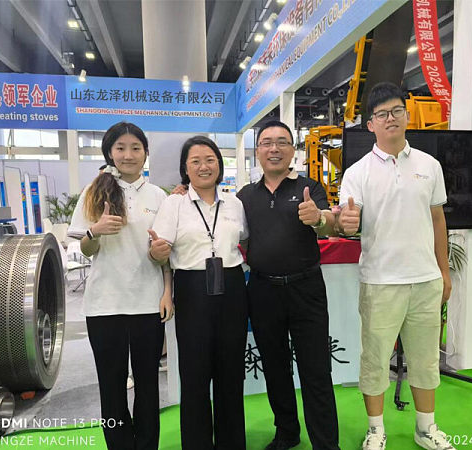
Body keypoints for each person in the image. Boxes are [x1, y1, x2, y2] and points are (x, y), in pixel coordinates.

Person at [337, 82, 455, 450]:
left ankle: (426, 428)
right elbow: (347, 220)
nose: (390, 119)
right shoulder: (357, 172)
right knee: (375, 360)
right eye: (382, 114)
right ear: (370, 124)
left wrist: (444, 271)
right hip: (380, 282)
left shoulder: (429, 166)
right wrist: (345, 223)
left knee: (425, 360)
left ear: (406, 115)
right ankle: (376, 430)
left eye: (396, 111)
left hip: (425, 280)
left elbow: (438, 219)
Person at [68, 121, 172, 450]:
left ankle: (147, 445)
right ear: (110, 152)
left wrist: (167, 291)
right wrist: (95, 231)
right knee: (111, 386)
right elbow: (86, 250)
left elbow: (164, 253)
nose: (128, 155)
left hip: (148, 303)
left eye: (135, 148)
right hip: (104, 305)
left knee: (148, 384)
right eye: (121, 148)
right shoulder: (94, 191)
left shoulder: (158, 196)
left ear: (145, 152)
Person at [237, 120, 340, 450]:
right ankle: (286, 433)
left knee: (316, 369)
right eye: (267, 142)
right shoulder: (245, 196)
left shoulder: (310, 187)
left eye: (282, 142)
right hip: (263, 290)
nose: (274, 149)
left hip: (305, 288)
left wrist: (318, 218)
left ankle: (326, 443)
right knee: (275, 367)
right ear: (257, 151)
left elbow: (330, 224)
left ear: (292, 150)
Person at [150, 136, 249, 450]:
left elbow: (244, 239)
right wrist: (156, 252)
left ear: (219, 164)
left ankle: (232, 443)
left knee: (231, 373)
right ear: (185, 168)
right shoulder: (174, 204)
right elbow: (159, 251)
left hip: (232, 288)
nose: (204, 166)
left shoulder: (234, 203)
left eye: (210, 159)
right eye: (195, 161)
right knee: (194, 375)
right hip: (192, 290)